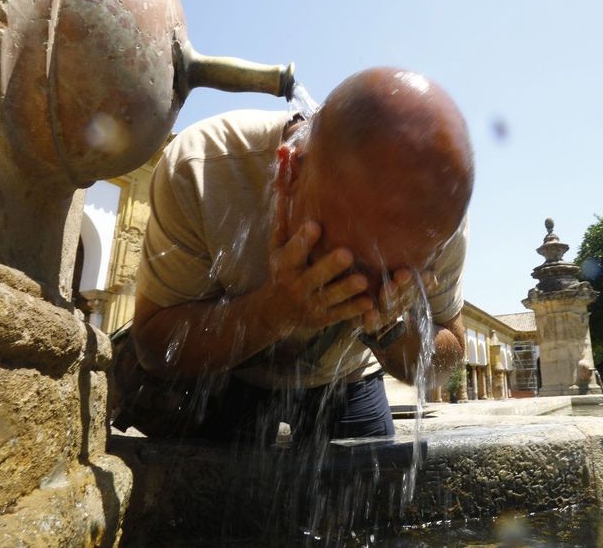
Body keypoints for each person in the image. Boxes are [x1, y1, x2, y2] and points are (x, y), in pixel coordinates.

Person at [111, 67, 474, 446]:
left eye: (391, 273)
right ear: (287, 173)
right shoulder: (204, 167)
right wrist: (274, 311)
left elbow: (447, 359)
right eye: (345, 262)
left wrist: (390, 331)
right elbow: (154, 347)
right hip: (229, 374)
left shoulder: (440, 223)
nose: (358, 289)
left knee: (376, 493)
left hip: (347, 377)